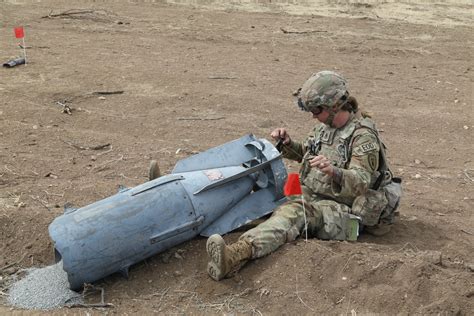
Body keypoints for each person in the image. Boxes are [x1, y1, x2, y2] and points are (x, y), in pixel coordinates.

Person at [206, 70, 402, 281]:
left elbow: (362, 183)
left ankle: (237, 253)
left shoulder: (363, 137)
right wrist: (288, 144)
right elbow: (308, 154)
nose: (313, 116)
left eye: (317, 110)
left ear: (334, 105)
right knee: (272, 198)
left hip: (346, 211)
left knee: (296, 213)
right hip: (317, 194)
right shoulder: (324, 128)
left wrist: (333, 171)